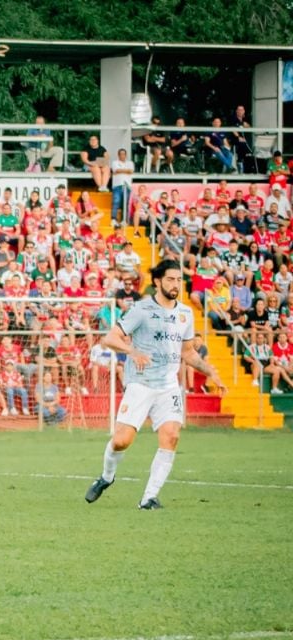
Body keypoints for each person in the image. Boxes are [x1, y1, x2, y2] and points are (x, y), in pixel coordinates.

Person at [86, 260, 225, 510]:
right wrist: (132, 350)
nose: (175, 284)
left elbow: (188, 353)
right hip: (140, 384)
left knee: (171, 436)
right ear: (158, 281)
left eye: (178, 280)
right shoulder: (141, 309)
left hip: (168, 386)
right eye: (170, 279)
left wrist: (210, 371)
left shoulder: (185, 313)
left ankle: (149, 498)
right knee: (121, 441)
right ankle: (106, 477)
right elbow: (109, 338)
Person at [110, 148, 134, 225]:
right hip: (117, 185)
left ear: (126, 155)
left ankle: (124, 220)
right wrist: (126, 170)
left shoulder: (130, 163)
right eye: (121, 154)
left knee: (126, 203)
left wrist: (121, 170)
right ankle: (113, 219)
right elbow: (116, 170)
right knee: (116, 202)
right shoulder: (114, 162)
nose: (122, 155)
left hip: (127, 186)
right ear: (118, 155)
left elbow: (131, 171)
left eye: (124, 154)